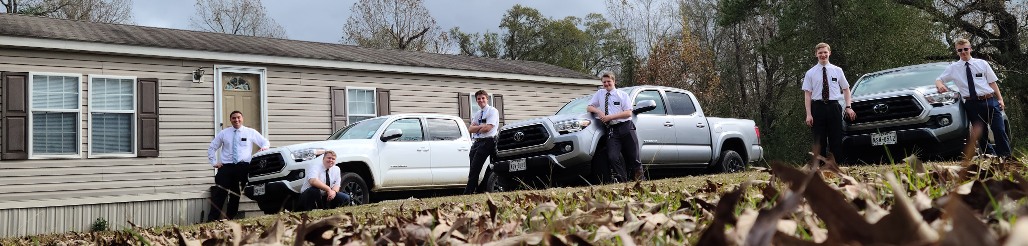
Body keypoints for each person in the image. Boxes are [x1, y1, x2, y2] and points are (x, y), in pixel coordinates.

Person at [935, 38, 1011, 158]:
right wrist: (940, 86)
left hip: (989, 100)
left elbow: (992, 82)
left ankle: (1006, 157)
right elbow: (939, 79)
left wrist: (1000, 99)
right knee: (981, 134)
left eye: (965, 49)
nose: (963, 52)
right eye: (960, 50)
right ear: (957, 52)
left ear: (970, 49)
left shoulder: (982, 63)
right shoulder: (953, 68)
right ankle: (991, 157)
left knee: (999, 130)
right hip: (972, 104)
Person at [206, 110, 270, 221]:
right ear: (230, 120)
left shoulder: (250, 132)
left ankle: (230, 217)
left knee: (237, 194)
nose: (236, 120)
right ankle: (212, 219)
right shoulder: (224, 133)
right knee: (220, 193)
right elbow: (212, 147)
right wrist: (214, 162)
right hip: (226, 167)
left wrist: (263, 149)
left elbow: (265, 142)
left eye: (238, 117)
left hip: (243, 167)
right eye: (234, 118)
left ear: (242, 118)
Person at [802, 42, 855, 162]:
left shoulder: (837, 70)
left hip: (834, 107)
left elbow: (846, 89)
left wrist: (848, 107)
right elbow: (807, 95)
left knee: (836, 138)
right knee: (819, 140)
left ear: (829, 53)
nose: (823, 55)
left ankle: (837, 166)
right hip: (817, 107)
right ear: (816, 54)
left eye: (825, 52)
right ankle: (819, 168)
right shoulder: (810, 73)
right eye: (820, 53)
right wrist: (809, 114)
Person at [586, 72, 642, 182]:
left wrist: (610, 117)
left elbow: (628, 113)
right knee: (612, 156)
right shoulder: (600, 94)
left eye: (608, 82)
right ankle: (623, 182)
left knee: (634, 158)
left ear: (614, 82)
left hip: (626, 128)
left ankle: (640, 182)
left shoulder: (622, 95)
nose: (606, 84)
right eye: (604, 82)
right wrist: (599, 111)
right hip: (612, 130)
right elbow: (589, 107)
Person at [464, 90, 499, 194]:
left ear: (487, 99)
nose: (481, 100)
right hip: (477, 142)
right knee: (473, 169)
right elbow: (470, 129)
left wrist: (477, 128)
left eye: (483, 98)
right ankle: (476, 190)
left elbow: (488, 129)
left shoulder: (492, 111)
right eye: (478, 99)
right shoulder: (478, 113)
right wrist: (481, 127)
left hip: (488, 141)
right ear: (476, 101)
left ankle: (468, 192)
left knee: (476, 168)